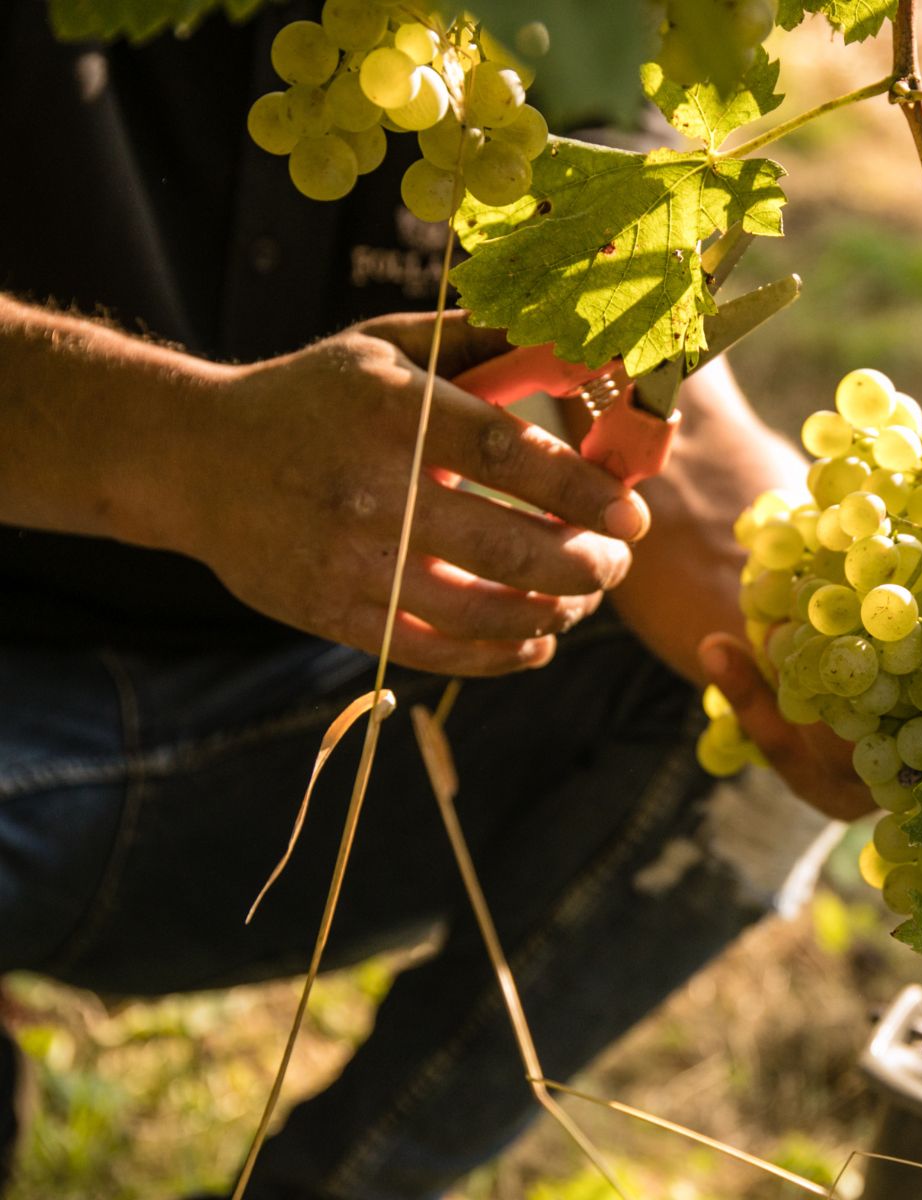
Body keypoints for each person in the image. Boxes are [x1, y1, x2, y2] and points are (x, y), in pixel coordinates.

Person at [0, 5, 867, 1197]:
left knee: (721, 685)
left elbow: (646, 364)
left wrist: (825, 619)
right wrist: (182, 448)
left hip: (280, 756)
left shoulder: (542, 19)